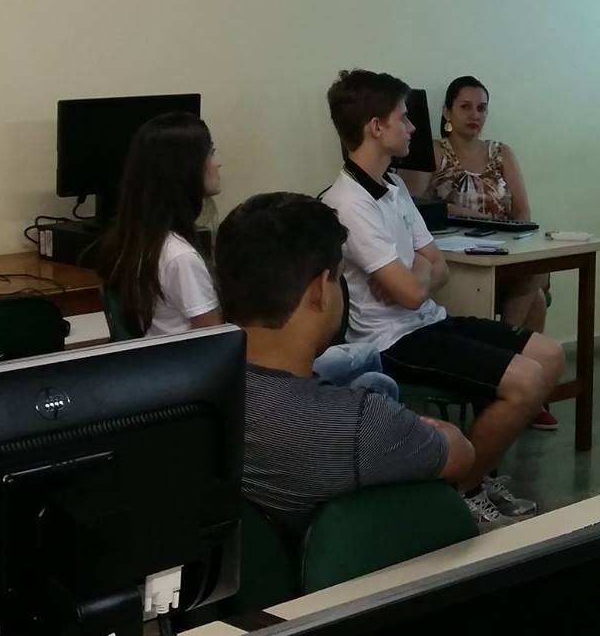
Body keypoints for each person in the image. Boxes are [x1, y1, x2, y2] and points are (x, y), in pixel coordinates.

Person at [320, 70, 561, 531]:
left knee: (549, 356)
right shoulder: (348, 202)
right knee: (526, 380)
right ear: (376, 127)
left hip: (428, 321)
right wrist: (418, 273)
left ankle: (475, 473)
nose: (412, 127)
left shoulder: (393, 188)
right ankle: (463, 490)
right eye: (403, 117)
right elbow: (414, 288)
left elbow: (436, 265)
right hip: (391, 340)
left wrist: (415, 272)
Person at [216, 191, 472, 534]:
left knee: (372, 379)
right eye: (339, 278)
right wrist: (432, 429)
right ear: (320, 291)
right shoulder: (363, 423)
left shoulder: (198, 398)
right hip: (344, 554)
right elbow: (461, 456)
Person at [401, 75, 557, 429]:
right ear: (447, 112)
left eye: (481, 108)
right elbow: (414, 205)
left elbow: (522, 211)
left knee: (534, 274)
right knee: (534, 299)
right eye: (465, 107)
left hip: (501, 251)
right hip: (455, 259)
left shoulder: (501, 152)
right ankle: (517, 387)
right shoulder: (435, 151)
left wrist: (514, 237)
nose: (475, 115)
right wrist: (460, 213)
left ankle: (505, 381)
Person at [97, 111, 224, 338]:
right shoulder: (181, 258)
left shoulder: (138, 240)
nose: (218, 163)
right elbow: (216, 343)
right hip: (189, 360)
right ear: (186, 168)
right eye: (211, 153)